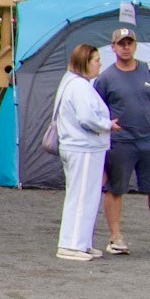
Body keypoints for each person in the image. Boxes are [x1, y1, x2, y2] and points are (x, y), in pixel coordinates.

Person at [97, 26, 150, 256]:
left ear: (135, 45)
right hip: (121, 141)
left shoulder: (149, 71)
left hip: (149, 140)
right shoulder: (105, 78)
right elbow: (97, 111)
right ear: (113, 47)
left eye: (129, 43)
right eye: (121, 43)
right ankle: (115, 237)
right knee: (115, 189)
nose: (125, 47)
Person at [53, 43, 114, 260]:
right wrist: (108, 124)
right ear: (85, 62)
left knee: (84, 196)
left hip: (79, 147)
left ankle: (82, 242)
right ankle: (71, 245)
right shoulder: (80, 86)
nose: (99, 64)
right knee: (81, 197)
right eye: (96, 60)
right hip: (83, 148)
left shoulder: (71, 82)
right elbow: (87, 118)